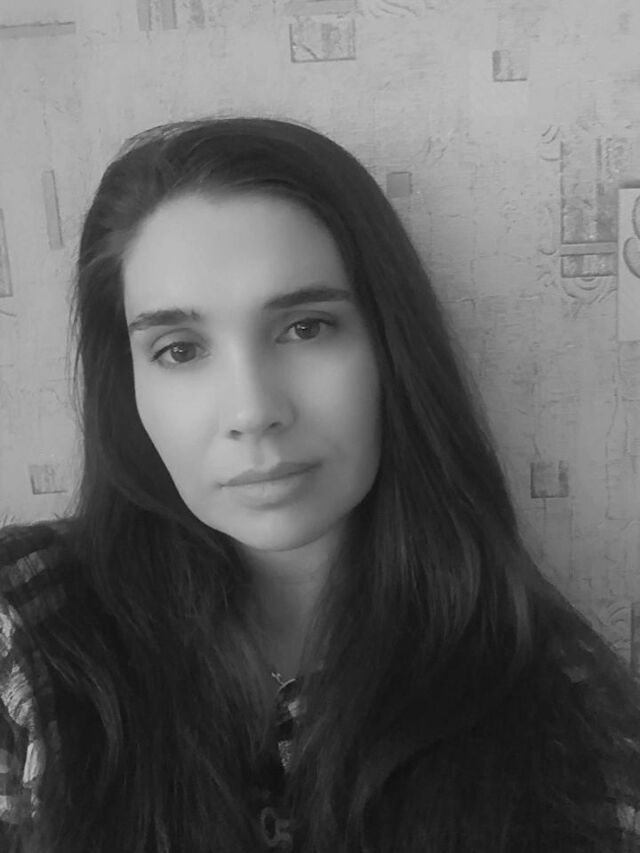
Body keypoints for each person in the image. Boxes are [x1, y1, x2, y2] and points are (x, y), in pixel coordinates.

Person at [0, 116, 638, 853]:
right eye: (179, 349)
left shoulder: (560, 712)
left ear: (391, 349)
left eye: (305, 328)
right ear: (128, 386)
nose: (253, 412)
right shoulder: (29, 632)